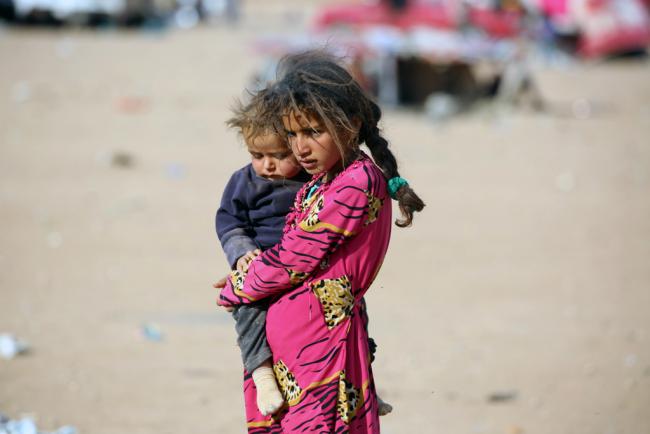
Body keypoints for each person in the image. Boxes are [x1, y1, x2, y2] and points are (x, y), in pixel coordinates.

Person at [217, 50, 424, 433]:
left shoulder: (357, 183)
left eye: (313, 132)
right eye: (292, 134)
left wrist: (238, 286)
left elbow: (293, 259)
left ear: (350, 125)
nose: (300, 148)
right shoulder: (322, 181)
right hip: (290, 354)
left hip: (321, 352)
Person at [216, 88, 311, 416]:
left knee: (350, 308)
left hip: (305, 266)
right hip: (260, 264)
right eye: (257, 155)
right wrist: (242, 254)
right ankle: (263, 375)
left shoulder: (312, 177)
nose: (267, 165)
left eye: (278, 155)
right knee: (248, 312)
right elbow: (229, 221)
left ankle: (365, 371)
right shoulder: (243, 182)